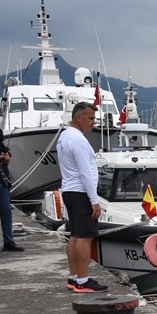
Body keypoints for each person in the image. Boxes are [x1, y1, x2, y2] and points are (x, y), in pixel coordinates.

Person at [56, 102, 107, 292]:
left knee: (75, 235)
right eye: (91, 118)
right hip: (80, 192)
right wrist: (94, 201)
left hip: (69, 189)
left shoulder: (64, 137)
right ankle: (83, 281)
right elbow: (85, 172)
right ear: (79, 117)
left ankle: (74, 277)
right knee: (85, 237)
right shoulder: (77, 139)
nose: (94, 122)